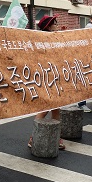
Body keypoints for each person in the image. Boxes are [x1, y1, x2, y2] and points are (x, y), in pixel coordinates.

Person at [29, 15, 65, 150]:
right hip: (47, 79)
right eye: (55, 23)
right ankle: (33, 137)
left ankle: (57, 137)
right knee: (46, 108)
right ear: (49, 26)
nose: (57, 25)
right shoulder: (43, 41)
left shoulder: (51, 39)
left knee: (56, 109)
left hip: (55, 78)